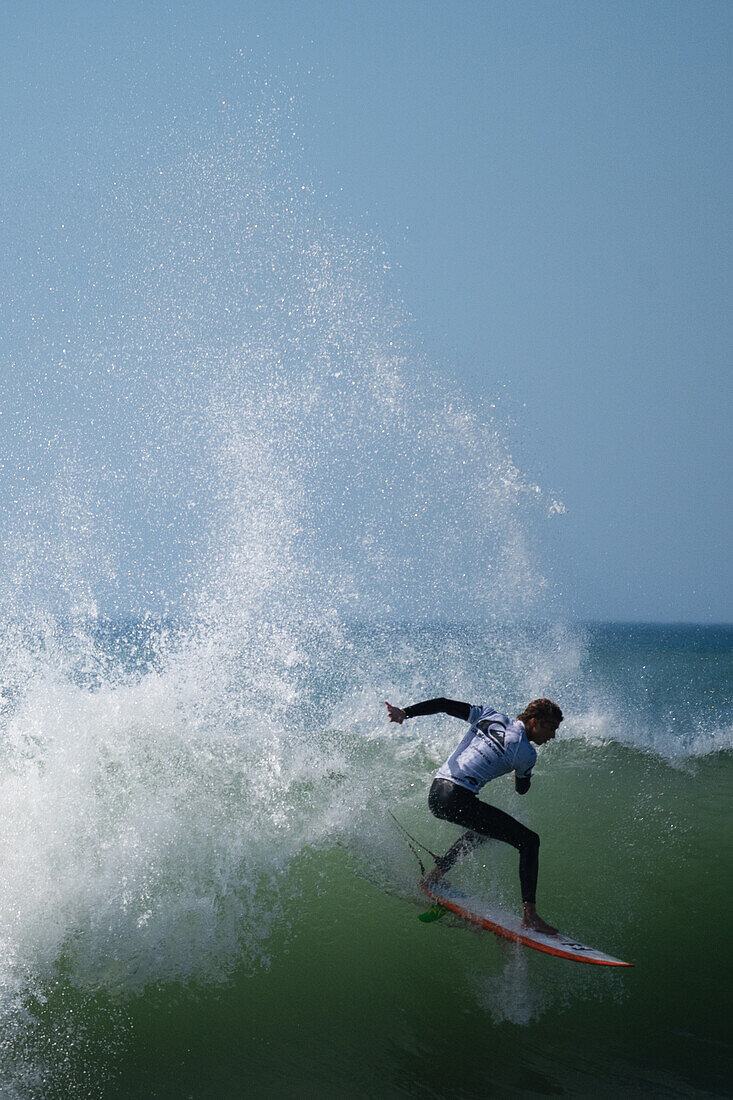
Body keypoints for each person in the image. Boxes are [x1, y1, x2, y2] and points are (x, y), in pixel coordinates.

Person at [385, 695, 563, 935]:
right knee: (529, 842)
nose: (552, 735)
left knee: (481, 831)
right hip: (458, 797)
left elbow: (444, 704)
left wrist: (405, 712)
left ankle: (434, 877)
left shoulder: (490, 715)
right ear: (534, 721)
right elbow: (522, 790)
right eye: (550, 728)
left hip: (437, 793)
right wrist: (520, 775)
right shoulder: (527, 754)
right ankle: (530, 916)